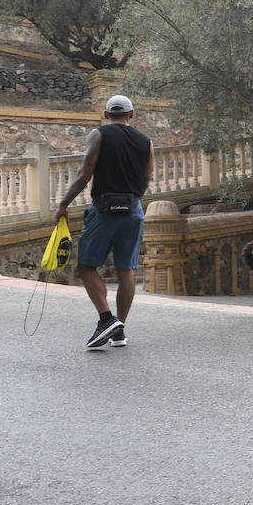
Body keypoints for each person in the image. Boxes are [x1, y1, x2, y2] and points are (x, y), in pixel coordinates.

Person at [55, 95, 153, 349]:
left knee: (87, 265)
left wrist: (64, 204)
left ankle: (106, 319)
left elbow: (84, 174)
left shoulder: (99, 135)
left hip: (104, 208)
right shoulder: (146, 142)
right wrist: (131, 197)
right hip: (133, 209)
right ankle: (119, 331)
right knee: (126, 271)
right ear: (131, 114)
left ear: (106, 115)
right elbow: (146, 178)